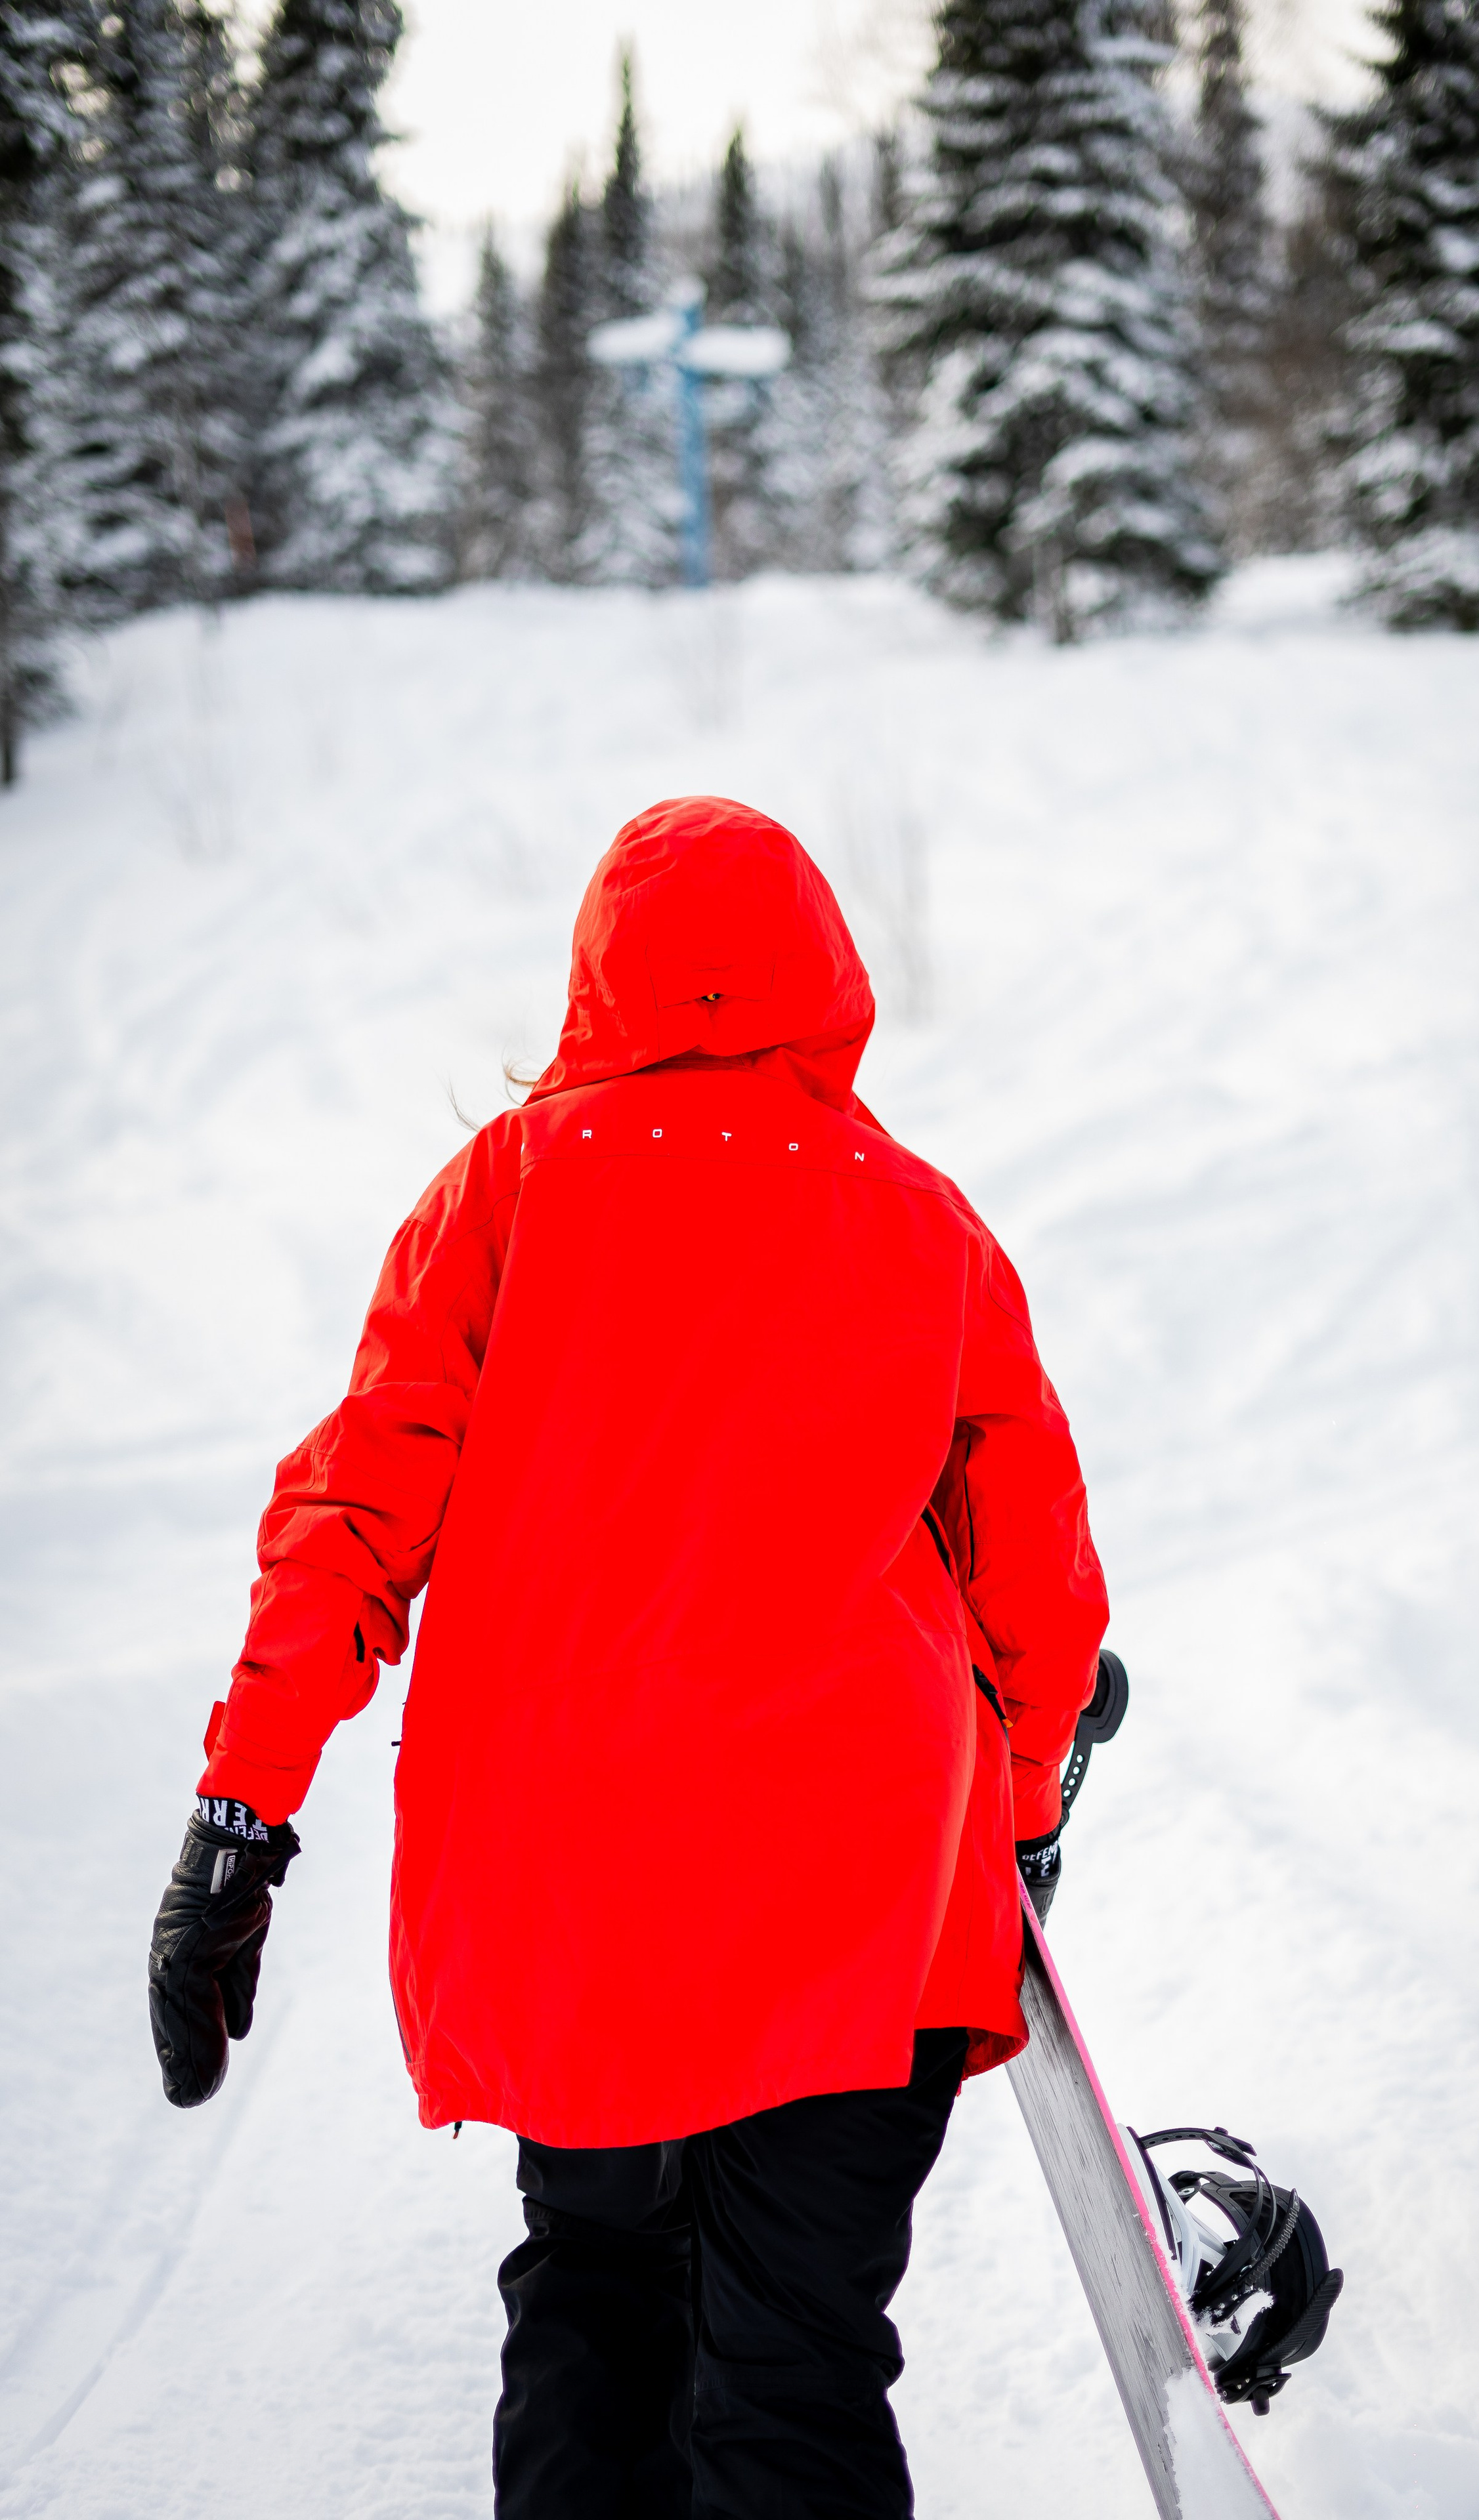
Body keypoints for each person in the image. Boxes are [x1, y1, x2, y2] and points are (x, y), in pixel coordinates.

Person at [148, 795, 1109, 2519]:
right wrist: (1025, 1803)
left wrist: (242, 1818)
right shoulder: (920, 1222)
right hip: (857, 1911)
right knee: (793, 2360)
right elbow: (1034, 1564)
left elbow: (350, 1521)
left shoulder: (498, 1199)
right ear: (828, 976)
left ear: (599, 978)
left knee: (597, 2309)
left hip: (579, 1918)